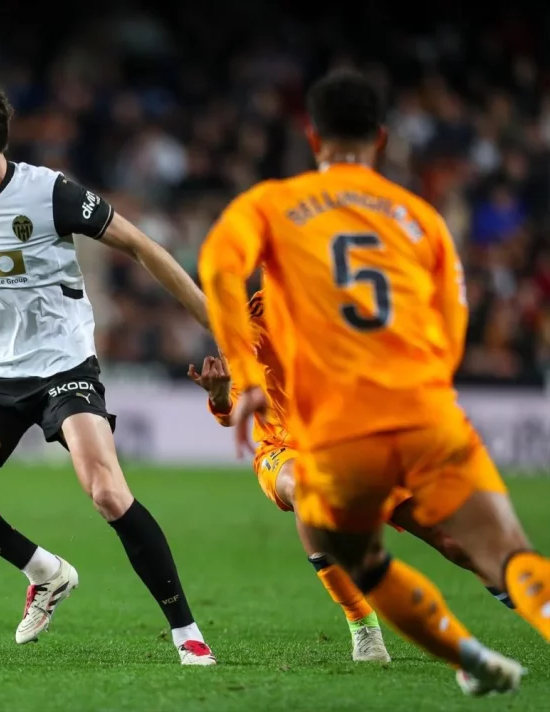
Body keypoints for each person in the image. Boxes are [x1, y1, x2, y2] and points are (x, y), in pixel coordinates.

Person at [198, 68, 549, 696]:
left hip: (339, 431)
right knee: (498, 547)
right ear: (382, 138)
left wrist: (242, 382)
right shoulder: (420, 218)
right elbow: (452, 322)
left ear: (313, 137)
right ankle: (376, 632)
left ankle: (461, 652)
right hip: (409, 413)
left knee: (391, 549)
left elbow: (218, 264)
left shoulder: (272, 206)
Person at [0, 75, 217, 665]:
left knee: (107, 492)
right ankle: (44, 570)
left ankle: (186, 632)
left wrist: (216, 323)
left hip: (63, 367)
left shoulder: (50, 193)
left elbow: (141, 246)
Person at [189, 291, 516, 663]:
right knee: (306, 488)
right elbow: (233, 408)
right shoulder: (254, 319)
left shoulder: (351, 300)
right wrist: (219, 397)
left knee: (454, 542)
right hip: (286, 447)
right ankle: (362, 625)